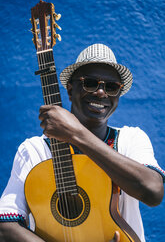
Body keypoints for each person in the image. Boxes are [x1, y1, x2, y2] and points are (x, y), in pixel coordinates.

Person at [0, 43, 164, 242]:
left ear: (118, 96)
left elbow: (153, 192)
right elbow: (5, 227)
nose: (101, 93)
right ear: (70, 90)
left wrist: (77, 134)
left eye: (111, 87)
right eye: (90, 83)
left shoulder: (131, 139)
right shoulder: (34, 150)